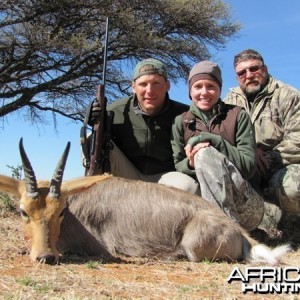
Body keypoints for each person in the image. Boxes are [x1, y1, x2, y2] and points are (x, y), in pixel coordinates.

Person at [170, 60, 264, 231]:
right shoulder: (180, 122)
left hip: (247, 208)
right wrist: (191, 162)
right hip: (200, 207)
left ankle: (225, 233)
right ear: (190, 91)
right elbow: (178, 164)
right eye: (198, 86)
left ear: (220, 89)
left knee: (205, 154)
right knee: (201, 157)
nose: (204, 92)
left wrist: (214, 141)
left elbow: (249, 167)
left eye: (211, 86)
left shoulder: (238, 115)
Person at [85, 58, 199, 189]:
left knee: (189, 187)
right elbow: (101, 145)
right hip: (127, 175)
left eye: (156, 83)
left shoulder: (185, 114)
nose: (149, 91)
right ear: (133, 87)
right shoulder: (115, 110)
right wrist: (95, 121)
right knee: (91, 139)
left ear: (167, 86)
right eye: (143, 84)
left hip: (165, 176)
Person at [224, 49, 300, 229]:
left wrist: (267, 158)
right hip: (245, 167)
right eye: (242, 72)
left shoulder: (288, 95)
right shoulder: (229, 100)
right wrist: (249, 155)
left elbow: (297, 139)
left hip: (280, 167)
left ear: (264, 69)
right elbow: (223, 135)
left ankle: (294, 226)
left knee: (294, 186)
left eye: (254, 69)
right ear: (237, 77)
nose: (248, 75)